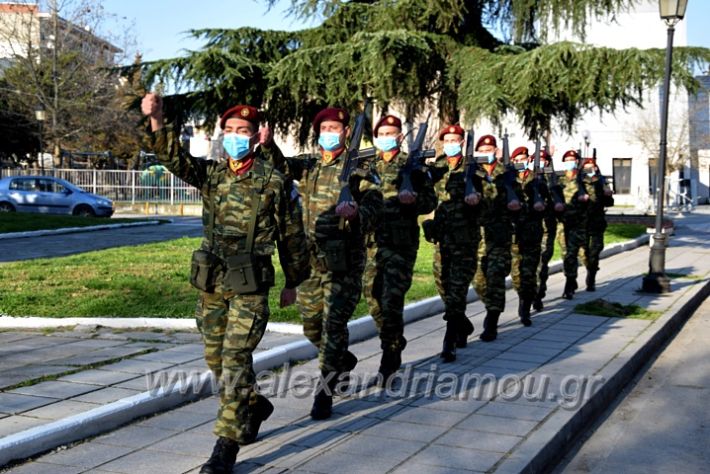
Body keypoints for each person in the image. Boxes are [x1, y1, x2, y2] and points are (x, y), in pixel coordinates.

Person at [141, 93, 309, 474]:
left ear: (256, 136)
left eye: (243, 131)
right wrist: (156, 121)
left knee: (235, 358)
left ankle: (226, 445)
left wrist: (293, 281)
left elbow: (293, 236)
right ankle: (253, 405)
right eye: (230, 130)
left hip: (250, 282)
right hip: (213, 281)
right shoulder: (213, 175)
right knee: (216, 360)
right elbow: (175, 160)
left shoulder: (274, 182)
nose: (235, 136)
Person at [287, 107, 383, 420]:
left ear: (345, 133)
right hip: (311, 260)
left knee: (332, 325)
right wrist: (268, 144)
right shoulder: (308, 166)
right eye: (324, 127)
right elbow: (277, 165)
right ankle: (341, 358)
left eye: (335, 127)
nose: (330, 132)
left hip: (344, 261)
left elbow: (375, 203)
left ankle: (325, 391)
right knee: (311, 325)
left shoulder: (359, 168)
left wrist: (357, 214)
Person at [362, 114, 437, 381]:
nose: (387, 137)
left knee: (391, 300)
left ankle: (389, 356)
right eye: (383, 133)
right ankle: (393, 337)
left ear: (399, 136)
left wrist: (413, 200)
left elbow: (429, 202)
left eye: (392, 132)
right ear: (375, 136)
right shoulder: (366, 164)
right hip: (371, 245)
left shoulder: (412, 165)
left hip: (401, 244)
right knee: (372, 299)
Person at [424, 125, 480, 362]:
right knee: (444, 286)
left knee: (457, 290)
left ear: (462, 141)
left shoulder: (474, 169)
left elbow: (492, 201)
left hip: (465, 241)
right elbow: (426, 197)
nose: (450, 143)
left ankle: (449, 341)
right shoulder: (437, 167)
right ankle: (463, 324)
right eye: (446, 140)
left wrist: (478, 200)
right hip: (442, 239)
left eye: (454, 139)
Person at [472, 134, 521, 341]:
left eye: (489, 149)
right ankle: (490, 305)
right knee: (479, 281)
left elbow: (520, 201)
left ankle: (492, 320)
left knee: (495, 277)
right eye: (481, 151)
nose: (485, 154)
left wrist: (515, 205)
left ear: (497, 152)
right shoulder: (472, 174)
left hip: (500, 235)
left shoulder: (507, 175)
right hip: (476, 236)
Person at [509, 146, 545, 326]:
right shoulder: (508, 179)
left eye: (523, 158)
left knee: (529, 273)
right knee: (516, 274)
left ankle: (525, 308)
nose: (520, 162)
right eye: (517, 160)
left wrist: (542, 203)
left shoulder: (537, 179)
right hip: (514, 234)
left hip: (532, 233)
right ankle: (524, 295)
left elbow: (551, 202)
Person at [533, 148, 563, 311]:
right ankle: (531, 292)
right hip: (531, 229)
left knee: (542, 262)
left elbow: (559, 201)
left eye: (545, 161)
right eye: (539, 161)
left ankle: (538, 293)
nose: (542, 164)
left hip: (547, 228)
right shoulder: (530, 179)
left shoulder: (553, 181)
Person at [580, 158, 614, 291]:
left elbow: (609, 203)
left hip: (597, 222)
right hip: (582, 222)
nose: (590, 169)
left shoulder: (601, 181)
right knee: (583, 253)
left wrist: (607, 195)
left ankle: (591, 277)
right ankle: (590, 267)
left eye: (592, 167)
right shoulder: (579, 182)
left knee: (595, 250)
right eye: (587, 167)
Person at [559, 149, 588, 299]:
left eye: (573, 159)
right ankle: (570, 279)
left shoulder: (584, 178)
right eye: (567, 159)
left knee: (572, 253)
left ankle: (569, 283)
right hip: (562, 223)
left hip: (578, 222)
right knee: (566, 254)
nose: (570, 162)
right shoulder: (558, 178)